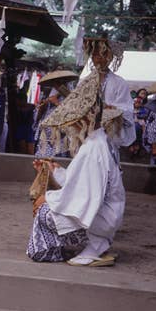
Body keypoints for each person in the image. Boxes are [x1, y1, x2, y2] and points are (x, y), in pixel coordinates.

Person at [28, 72, 125, 266]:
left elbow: (86, 195)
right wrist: (54, 170)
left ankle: (61, 250)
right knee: (48, 203)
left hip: (104, 217)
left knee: (43, 211)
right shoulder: (97, 140)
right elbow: (82, 183)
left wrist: (47, 198)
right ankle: (96, 244)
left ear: (82, 120)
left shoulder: (93, 147)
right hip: (108, 215)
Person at [83, 37, 135, 158]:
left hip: (108, 136)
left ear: (110, 57)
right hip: (87, 134)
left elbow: (128, 110)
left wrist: (113, 109)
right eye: (95, 54)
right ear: (91, 57)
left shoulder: (119, 83)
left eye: (104, 54)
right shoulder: (85, 82)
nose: (99, 58)